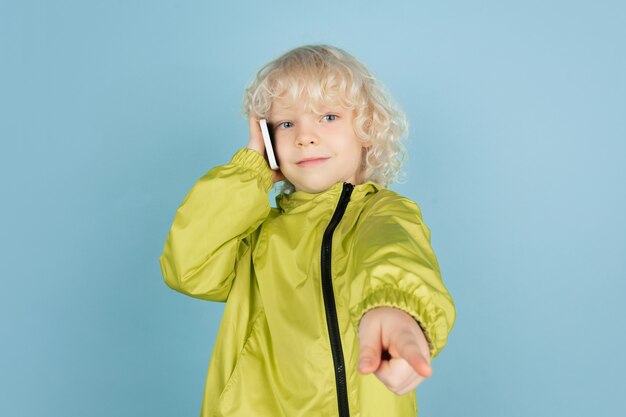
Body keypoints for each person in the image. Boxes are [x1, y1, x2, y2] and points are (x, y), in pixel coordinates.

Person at [159, 44, 456, 417]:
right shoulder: (257, 237)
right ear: (269, 141)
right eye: (286, 124)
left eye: (328, 116)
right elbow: (188, 268)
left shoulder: (382, 213)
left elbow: (393, 255)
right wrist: (253, 168)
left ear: (366, 129)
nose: (305, 136)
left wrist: (395, 311)